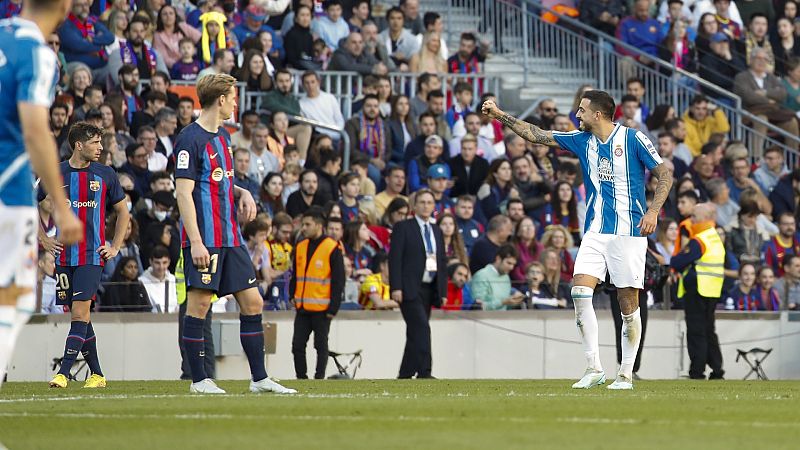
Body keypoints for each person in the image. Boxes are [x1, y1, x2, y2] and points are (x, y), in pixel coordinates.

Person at [483, 89, 673, 390]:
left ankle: (625, 374)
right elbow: (537, 135)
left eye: (582, 110)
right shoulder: (581, 140)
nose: (577, 115)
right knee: (580, 293)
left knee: (627, 304)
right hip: (595, 231)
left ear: (598, 114)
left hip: (629, 233)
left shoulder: (633, 139)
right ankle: (594, 366)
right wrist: (500, 114)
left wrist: (652, 212)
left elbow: (665, 175)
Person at [174, 73, 295, 395]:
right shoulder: (190, 139)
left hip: (231, 238)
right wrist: (196, 241)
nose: (236, 102)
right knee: (198, 306)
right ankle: (199, 380)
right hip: (207, 239)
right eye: (233, 97)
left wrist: (242, 192)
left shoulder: (225, 137)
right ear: (221, 100)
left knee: (253, 302)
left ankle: (259, 379)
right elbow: (183, 193)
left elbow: (219, 180)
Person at [40, 122, 129, 389]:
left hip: (91, 256)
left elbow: (123, 212)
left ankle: (63, 374)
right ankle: (98, 375)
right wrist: (44, 238)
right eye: (95, 143)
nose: (101, 148)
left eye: (101, 142)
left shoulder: (105, 174)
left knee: (80, 313)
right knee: (79, 317)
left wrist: (114, 246)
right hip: (65, 257)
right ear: (79, 145)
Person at [389, 189, 447, 379]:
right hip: (409, 288)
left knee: (415, 332)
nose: (426, 206)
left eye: (429, 202)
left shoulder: (436, 230)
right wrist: (396, 287)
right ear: (414, 206)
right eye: (422, 202)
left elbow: (441, 260)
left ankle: (405, 374)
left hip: (428, 288)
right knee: (422, 328)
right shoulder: (403, 227)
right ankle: (425, 371)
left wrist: (442, 290)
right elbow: (395, 259)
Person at [671, 203, 726, 379]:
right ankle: (717, 370)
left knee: (696, 332)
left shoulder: (700, 239)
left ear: (704, 218)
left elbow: (679, 262)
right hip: (712, 290)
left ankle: (697, 371)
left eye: (694, 216)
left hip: (698, 290)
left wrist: (674, 260)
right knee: (709, 331)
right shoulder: (715, 237)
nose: (691, 220)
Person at [290, 207, 344, 379]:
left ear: (319, 225)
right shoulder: (300, 246)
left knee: (320, 345)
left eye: (307, 224)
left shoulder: (332, 248)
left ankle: (319, 377)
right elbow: (296, 274)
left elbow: (338, 280)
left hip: (322, 308)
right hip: (303, 307)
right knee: (297, 345)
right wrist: (292, 295)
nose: (303, 228)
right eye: (303, 224)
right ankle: (301, 377)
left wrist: (333, 308)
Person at [470, 244, 524, 311]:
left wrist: (515, 301)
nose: (511, 267)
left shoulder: (506, 277)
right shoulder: (481, 276)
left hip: (503, 319)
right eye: (509, 263)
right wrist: (503, 302)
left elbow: (504, 307)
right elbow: (477, 307)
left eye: (513, 264)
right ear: (498, 259)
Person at [139, 244, 178, 313]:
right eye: (157, 263)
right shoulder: (141, 281)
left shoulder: (173, 279)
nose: (161, 267)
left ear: (169, 262)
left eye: (164, 262)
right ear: (150, 262)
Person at [763, 212, 800, 277]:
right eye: (786, 224)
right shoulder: (769, 246)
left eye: (792, 224)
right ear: (778, 225)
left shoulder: (798, 240)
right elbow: (766, 272)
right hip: (779, 284)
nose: (790, 227)